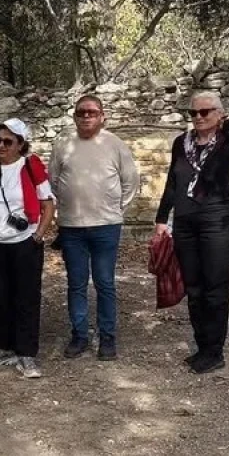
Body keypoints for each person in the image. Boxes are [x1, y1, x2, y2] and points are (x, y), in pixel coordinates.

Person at [155, 91, 229, 374]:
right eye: (194, 113)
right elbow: (173, 181)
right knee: (194, 288)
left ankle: (214, 352)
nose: (199, 118)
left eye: (205, 112)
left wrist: (227, 124)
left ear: (219, 113)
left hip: (218, 221)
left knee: (215, 289)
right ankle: (202, 346)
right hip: (187, 223)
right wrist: (162, 218)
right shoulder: (182, 142)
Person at [48, 94, 140, 362]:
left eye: (92, 112)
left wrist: (114, 210)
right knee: (76, 284)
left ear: (103, 116)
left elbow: (130, 182)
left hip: (106, 227)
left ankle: (107, 337)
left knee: (104, 283)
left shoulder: (116, 145)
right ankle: (79, 336)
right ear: (74, 117)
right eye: (81, 112)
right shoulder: (63, 145)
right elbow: (54, 181)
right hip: (72, 228)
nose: (86, 116)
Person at [0, 118, 55, 379]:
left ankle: (27, 353)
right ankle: (5, 346)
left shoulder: (32, 168)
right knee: (1, 297)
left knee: (26, 298)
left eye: (7, 141)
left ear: (21, 144)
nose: (1, 146)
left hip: (25, 242)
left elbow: (48, 204)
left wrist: (39, 235)